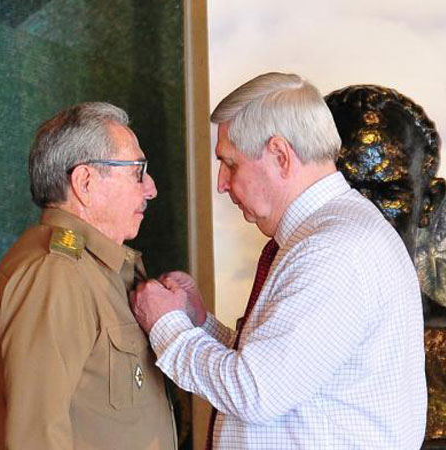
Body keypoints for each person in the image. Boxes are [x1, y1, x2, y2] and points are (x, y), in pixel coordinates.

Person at [129, 72, 427, 449]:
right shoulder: (333, 236)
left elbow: (255, 391)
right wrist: (200, 324)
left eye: (230, 164)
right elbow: (287, 369)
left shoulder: (332, 249)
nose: (221, 183)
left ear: (281, 156)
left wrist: (166, 326)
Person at [0, 102, 177, 449]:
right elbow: (35, 437)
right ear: (85, 182)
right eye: (137, 172)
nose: (151, 189)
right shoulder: (55, 275)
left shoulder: (99, 268)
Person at [325, 84, 446, 441]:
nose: (361, 213)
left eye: (389, 193)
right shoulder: (275, 325)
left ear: (427, 203)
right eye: (346, 188)